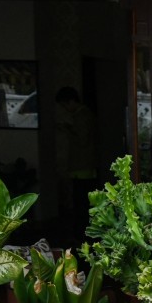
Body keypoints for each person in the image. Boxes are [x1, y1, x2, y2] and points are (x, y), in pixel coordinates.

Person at [54, 87, 97, 238]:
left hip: (82, 166)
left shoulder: (82, 115)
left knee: (81, 202)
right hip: (82, 166)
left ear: (71, 101)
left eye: (65, 105)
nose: (66, 109)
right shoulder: (82, 115)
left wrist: (68, 129)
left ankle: (82, 232)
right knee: (81, 201)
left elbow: (82, 139)